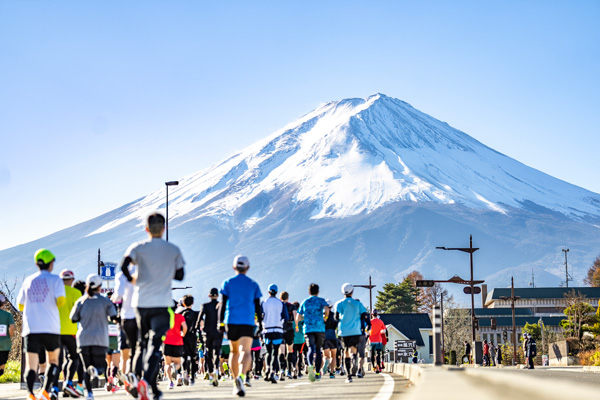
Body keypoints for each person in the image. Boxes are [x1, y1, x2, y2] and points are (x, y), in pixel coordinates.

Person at [120, 212, 185, 400]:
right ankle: (146, 382)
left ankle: (142, 382)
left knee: (142, 344)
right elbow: (180, 275)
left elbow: (124, 266)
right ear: (164, 229)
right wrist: (164, 272)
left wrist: (133, 278)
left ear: (146, 229)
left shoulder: (137, 248)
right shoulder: (173, 249)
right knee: (155, 345)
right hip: (162, 303)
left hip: (141, 303)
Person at [17, 248, 66, 400]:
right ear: (50, 263)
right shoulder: (55, 280)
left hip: (31, 329)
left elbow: (20, 305)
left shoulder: (28, 281)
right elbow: (61, 301)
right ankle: (45, 391)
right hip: (50, 327)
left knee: (31, 365)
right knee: (53, 361)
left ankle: (30, 393)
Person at [219, 255, 263, 397]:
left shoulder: (227, 283)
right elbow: (258, 307)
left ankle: (235, 380)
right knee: (246, 351)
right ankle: (242, 378)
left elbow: (223, 304)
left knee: (234, 351)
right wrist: (261, 324)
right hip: (248, 321)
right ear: (248, 267)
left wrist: (220, 322)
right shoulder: (253, 284)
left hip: (231, 320)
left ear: (234, 267)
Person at [70, 274, 118, 400]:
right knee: (101, 366)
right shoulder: (105, 301)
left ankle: (89, 394)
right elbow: (113, 316)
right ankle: (95, 370)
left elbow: (73, 318)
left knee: (86, 368)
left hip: (83, 338)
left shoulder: (81, 301)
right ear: (100, 286)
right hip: (100, 338)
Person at [334, 283, 367, 383]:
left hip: (343, 331)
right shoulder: (358, 304)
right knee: (353, 350)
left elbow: (336, 317)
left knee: (345, 352)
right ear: (352, 292)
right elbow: (363, 315)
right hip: (355, 330)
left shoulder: (339, 304)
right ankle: (355, 362)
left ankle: (348, 376)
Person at [56, 269, 82, 398]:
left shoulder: (54, 293)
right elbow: (79, 313)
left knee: (55, 360)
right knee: (73, 357)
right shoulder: (76, 293)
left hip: (54, 331)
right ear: (72, 280)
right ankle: (68, 382)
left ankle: (54, 387)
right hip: (71, 331)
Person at [296, 283, 329, 383]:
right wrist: (325, 318)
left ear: (309, 292)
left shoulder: (305, 302)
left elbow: (298, 316)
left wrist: (297, 326)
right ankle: (318, 372)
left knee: (310, 348)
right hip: (319, 328)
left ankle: (310, 365)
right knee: (318, 350)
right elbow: (327, 309)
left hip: (308, 328)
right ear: (318, 292)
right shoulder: (321, 301)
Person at [261, 284, 289, 383]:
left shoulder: (264, 302)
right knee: (275, 352)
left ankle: (267, 368)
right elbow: (286, 317)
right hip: (278, 330)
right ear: (277, 292)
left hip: (267, 330)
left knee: (268, 351)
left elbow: (260, 316)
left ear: (268, 291)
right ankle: (273, 371)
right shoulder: (280, 303)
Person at [197, 287, 223, 386]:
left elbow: (200, 317)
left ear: (209, 295)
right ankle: (216, 369)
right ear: (217, 295)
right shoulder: (220, 305)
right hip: (218, 332)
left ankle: (211, 372)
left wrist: (196, 327)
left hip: (207, 333)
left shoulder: (205, 306)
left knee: (208, 353)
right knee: (217, 352)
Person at [163, 301, 187, 389]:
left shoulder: (164, 317)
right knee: (178, 363)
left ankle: (170, 382)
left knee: (167, 364)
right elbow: (185, 327)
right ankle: (176, 371)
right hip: (178, 342)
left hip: (166, 342)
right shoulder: (180, 317)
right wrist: (182, 334)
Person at [180, 294, 199, 386]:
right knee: (192, 356)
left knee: (183, 355)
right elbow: (200, 324)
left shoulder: (180, 314)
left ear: (183, 303)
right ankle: (192, 378)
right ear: (193, 303)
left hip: (182, 336)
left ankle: (184, 372)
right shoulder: (196, 314)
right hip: (192, 336)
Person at [279, 291, 297, 379]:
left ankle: (281, 370)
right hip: (290, 328)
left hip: (281, 328)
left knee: (281, 351)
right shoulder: (292, 306)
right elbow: (295, 316)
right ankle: (289, 370)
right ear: (288, 298)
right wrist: (296, 326)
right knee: (290, 350)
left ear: (280, 298)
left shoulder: (279, 305)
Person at [0, 293, 15, 378]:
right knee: (2, 366)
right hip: (5, 344)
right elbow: (12, 327)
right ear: (3, 304)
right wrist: (10, 336)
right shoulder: (8, 315)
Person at [323, 299, 338, 379]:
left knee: (325, 355)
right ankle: (332, 373)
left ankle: (326, 361)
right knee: (333, 356)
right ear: (331, 307)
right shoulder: (334, 315)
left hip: (324, 336)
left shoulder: (322, 315)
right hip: (333, 335)